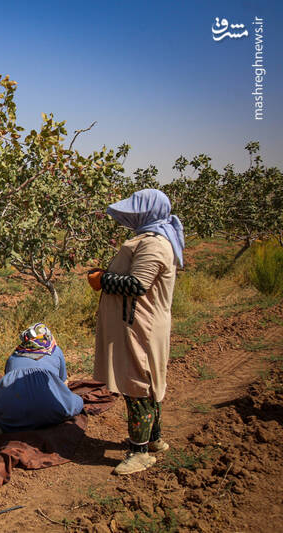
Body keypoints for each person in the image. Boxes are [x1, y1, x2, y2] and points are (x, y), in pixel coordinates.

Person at [89, 189, 184, 475]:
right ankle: (154, 440)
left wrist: (101, 279)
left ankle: (140, 452)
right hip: (138, 322)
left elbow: (137, 285)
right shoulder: (152, 239)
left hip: (139, 325)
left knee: (137, 386)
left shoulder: (154, 244)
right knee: (148, 381)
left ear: (148, 212)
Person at [0, 323, 84, 432]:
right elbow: (62, 381)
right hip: (47, 407)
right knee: (77, 402)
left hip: (14, 411)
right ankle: (44, 418)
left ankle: (5, 425)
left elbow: (8, 385)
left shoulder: (13, 356)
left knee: (9, 407)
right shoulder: (55, 351)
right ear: (47, 337)